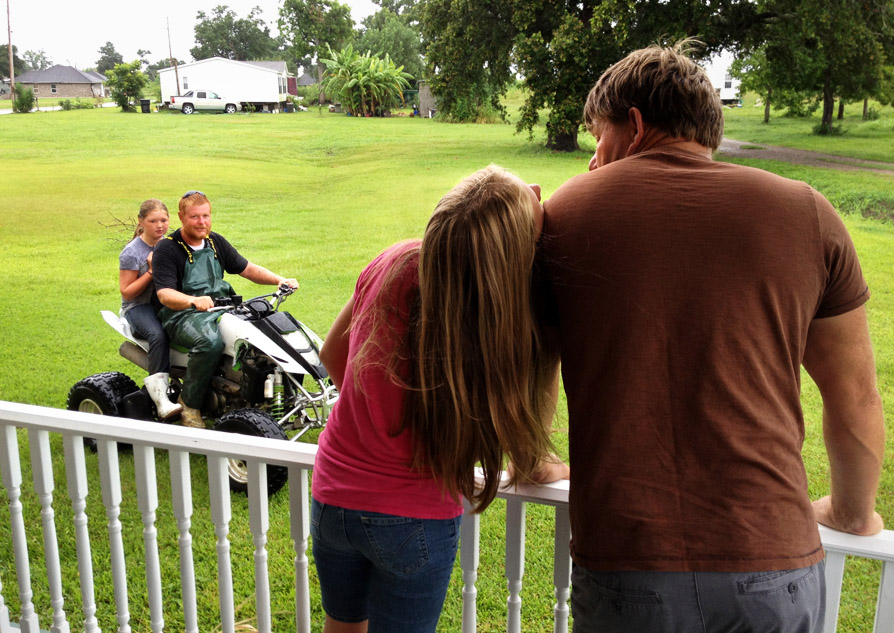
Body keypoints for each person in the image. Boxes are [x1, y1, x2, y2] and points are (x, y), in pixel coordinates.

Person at [538, 42, 885, 632]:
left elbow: (531, 365)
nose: (595, 160)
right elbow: (855, 395)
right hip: (773, 560)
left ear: (637, 125)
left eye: (599, 137)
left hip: (629, 561)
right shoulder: (807, 212)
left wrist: (536, 460)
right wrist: (851, 512)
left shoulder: (565, 212)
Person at [311, 165, 570, 633]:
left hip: (333, 497)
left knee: (342, 626)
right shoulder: (505, 316)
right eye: (526, 195)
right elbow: (527, 452)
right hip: (414, 518)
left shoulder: (395, 260)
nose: (537, 191)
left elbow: (334, 357)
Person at [152, 190, 298, 429]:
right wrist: (192, 300)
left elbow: (246, 268)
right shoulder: (167, 249)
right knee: (209, 343)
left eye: (206, 216)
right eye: (195, 217)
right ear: (181, 216)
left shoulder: (214, 241)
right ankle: (190, 404)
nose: (202, 222)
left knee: (268, 332)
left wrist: (279, 280)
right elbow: (164, 294)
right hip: (182, 315)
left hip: (222, 308)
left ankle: (275, 397)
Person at [119, 199, 183, 420]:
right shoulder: (132, 252)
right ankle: (161, 399)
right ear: (141, 222)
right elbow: (127, 292)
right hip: (139, 306)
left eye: (164, 220)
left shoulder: (171, 244)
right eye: (153, 220)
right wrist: (151, 271)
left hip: (165, 302)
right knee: (158, 334)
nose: (160, 225)